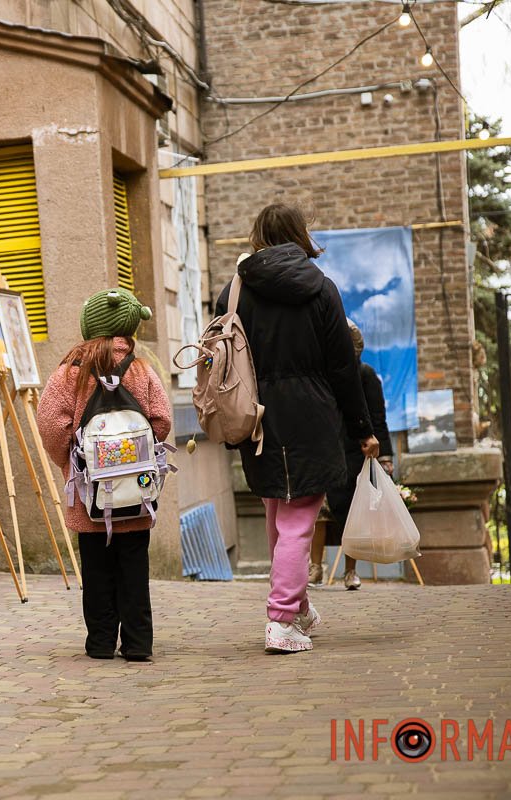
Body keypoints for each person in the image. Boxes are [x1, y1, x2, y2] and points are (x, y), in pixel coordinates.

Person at [214, 204, 378, 654]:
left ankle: (299, 608)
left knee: (278, 513)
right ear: (300, 236)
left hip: (256, 415)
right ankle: (282, 618)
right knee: (299, 517)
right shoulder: (321, 289)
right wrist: (361, 427)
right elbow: (343, 366)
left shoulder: (235, 290)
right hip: (311, 413)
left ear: (258, 235)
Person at [36, 288, 171, 662]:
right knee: (134, 568)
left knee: (96, 570)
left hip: (89, 492)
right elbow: (161, 419)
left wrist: (72, 461)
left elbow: (50, 423)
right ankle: (138, 643)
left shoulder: (70, 373)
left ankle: (99, 643)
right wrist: (139, 457)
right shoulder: (142, 370)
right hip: (137, 493)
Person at [311, 319, 394, 589]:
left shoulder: (365, 374)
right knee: (319, 513)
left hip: (355, 453)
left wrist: (385, 456)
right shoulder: (321, 375)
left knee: (352, 513)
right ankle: (315, 568)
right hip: (325, 449)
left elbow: (378, 417)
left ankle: (350, 571)